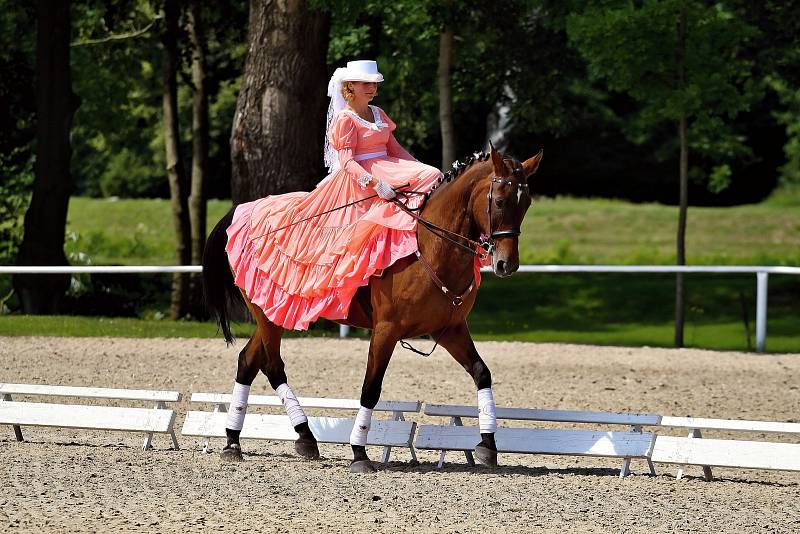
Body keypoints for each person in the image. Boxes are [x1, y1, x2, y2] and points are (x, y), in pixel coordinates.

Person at [225, 60, 444, 330]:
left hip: (388, 166)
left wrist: (421, 168)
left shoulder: (377, 113)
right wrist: (374, 183)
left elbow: (395, 149)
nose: (372, 88)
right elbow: (348, 161)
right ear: (350, 86)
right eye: (366, 83)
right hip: (360, 176)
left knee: (432, 175)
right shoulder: (345, 119)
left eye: (374, 83)